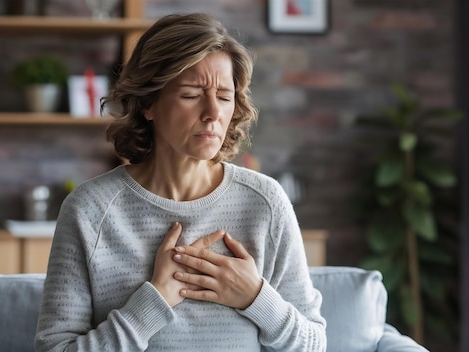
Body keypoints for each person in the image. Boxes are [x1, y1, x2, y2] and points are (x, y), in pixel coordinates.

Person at [34, 13, 327, 352]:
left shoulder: (265, 203)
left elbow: (314, 344)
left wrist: (255, 297)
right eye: (191, 94)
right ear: (148, 104)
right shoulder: (90, 210)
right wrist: (154, 301)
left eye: (224, 95)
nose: (213, 113)